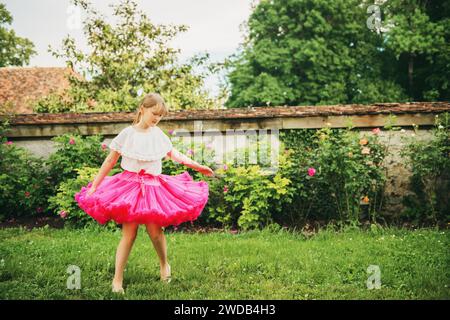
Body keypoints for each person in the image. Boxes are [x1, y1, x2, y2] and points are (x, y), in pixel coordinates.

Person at [74, 93, 215, 294]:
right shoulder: (127, 134)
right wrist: (95, 185)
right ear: (142, 109)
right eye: (154, 113)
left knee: (155, 233)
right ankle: (117, 280)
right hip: (129, 188)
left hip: (153, 189)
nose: (156, 118)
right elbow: (110, 161)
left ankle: (164, 264)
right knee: (128, 235)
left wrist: (197, 165)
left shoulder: (158, 135)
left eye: (160, 115)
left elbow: (174, 154)